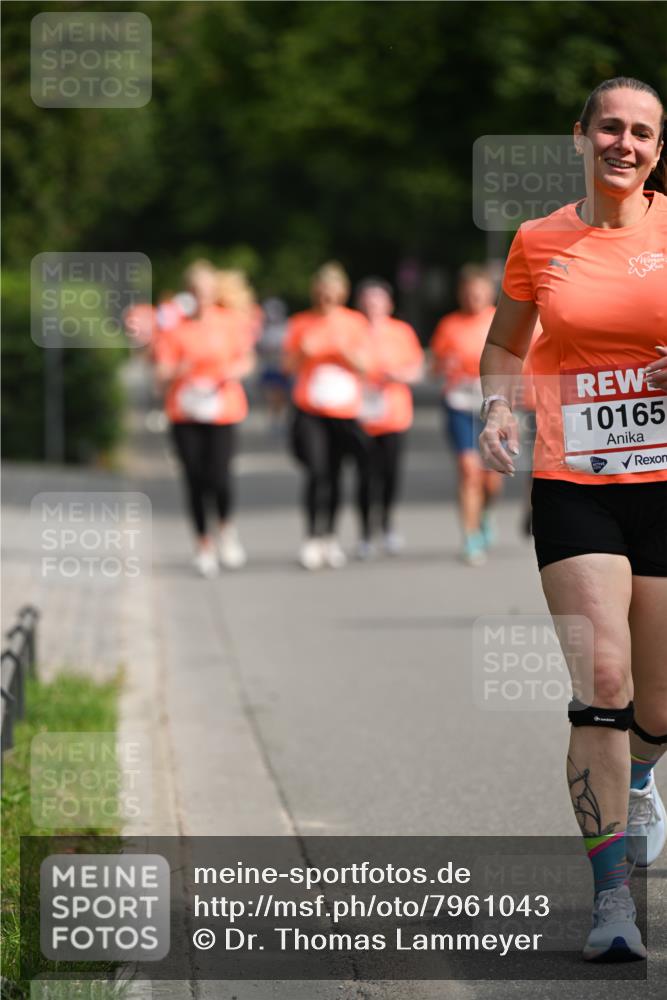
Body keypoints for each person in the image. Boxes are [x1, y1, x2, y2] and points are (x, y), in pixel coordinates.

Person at [479, 77, 667, 962]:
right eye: (609, 128)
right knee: (603, 681)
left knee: (656, 704)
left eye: (641, 133)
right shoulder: (539, 240)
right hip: (574, 481)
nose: (622, 144)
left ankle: (641, 777)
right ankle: (611, 901)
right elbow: (503, 344)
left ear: (657, 151)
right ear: (580, 136)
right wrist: (496, 405)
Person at [154, 260, 255, 576]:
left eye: (206, 290)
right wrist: (178, 370)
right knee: (194, 478)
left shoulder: (230, 323)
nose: (201, 296)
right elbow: (160, 375)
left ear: (214, 292)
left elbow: (246, 360)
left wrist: (230, 373)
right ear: (188, 292)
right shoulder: (174, 329)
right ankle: (203, 544)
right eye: (196, 290)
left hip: (222, 409)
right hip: (185, 411)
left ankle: (225, 528)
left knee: (219, 476)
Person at [283, 262, 372, 570]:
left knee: (335, 473)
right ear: (314, 292)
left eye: (333, 291)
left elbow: (366, 366)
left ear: (342, 293)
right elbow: (287, 367)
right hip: (310, 409)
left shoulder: (355, 323)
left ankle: (330, 537)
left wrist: (344, 353)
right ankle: (311, 536)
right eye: (322, 291)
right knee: (315, 470)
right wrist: (303, 353)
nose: (327, 297)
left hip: (344, 411)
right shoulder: (300, 323)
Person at [430, 266, 504, 566]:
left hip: (494, 404)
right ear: (461, 294)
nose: (474, 297)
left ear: (489, 293)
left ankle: (485, 513)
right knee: (468, 469)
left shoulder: (501, 320)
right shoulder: (449, 325)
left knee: (491, 478)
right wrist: (444, 365)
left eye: (480, 292)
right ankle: (471, 537)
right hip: (459, 403)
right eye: (469, 292)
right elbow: (434, 368)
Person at [355, 277, 424, 557]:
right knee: (364, 474)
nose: (373, 306)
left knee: (390, 474)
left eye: (378, 300)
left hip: (394, 414)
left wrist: (399, 375)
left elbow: (417, 369)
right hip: (360, 413)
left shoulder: (401, 332)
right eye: (368, 301)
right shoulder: (353, 331)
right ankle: (365, 533)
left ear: (389, 304)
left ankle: (386, 524)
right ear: (360, 304)